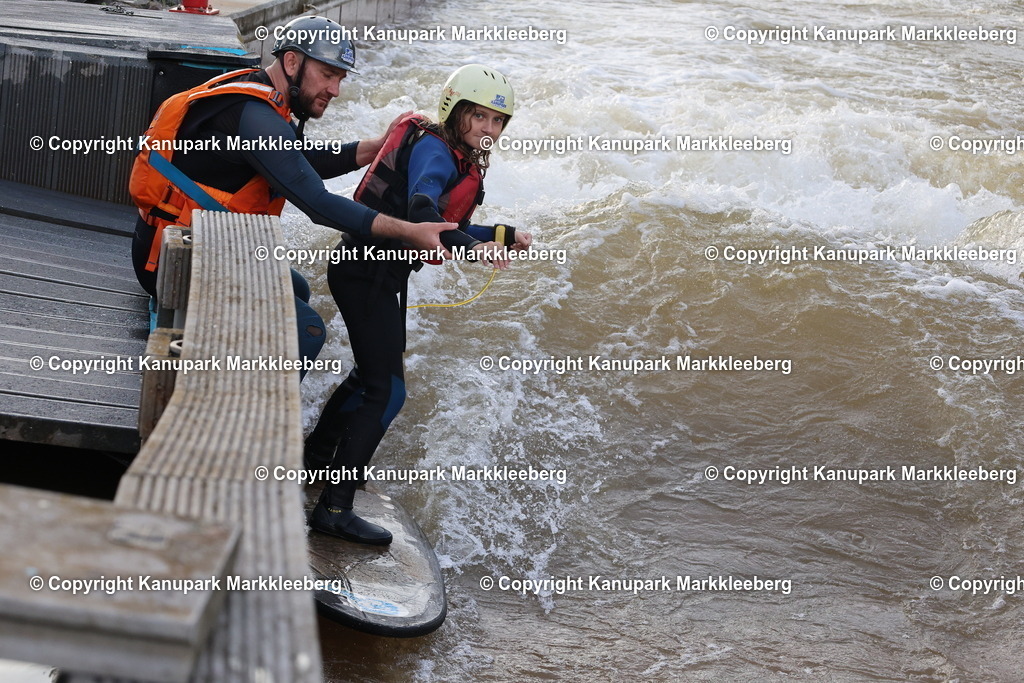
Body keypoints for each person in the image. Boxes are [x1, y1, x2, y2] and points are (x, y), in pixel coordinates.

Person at [128, 15, 455, 378]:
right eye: (328, 74)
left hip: (183, 245)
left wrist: (377, 147)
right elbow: (317, 203)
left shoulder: (260, 95)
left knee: (296, 288)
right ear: (293, 62)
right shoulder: (255, 115)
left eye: (341, 78)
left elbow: (299, 160)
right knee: (306, 332)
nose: (336, 90)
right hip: (173, 263)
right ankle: (246, 425)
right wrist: (409, 231)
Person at [304, 64, 532, 545]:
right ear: (455, 110)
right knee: (388, 393)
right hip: (367, 274)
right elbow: (423, 210)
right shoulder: (436, 150)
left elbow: (447, 224)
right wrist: (473, 247)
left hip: (368, 272)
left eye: (498, 121)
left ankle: (315, 462)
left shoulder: (452, 150)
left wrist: (502, 236)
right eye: (480, 117)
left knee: (369, 378)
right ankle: (335, 508)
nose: (489, 130)